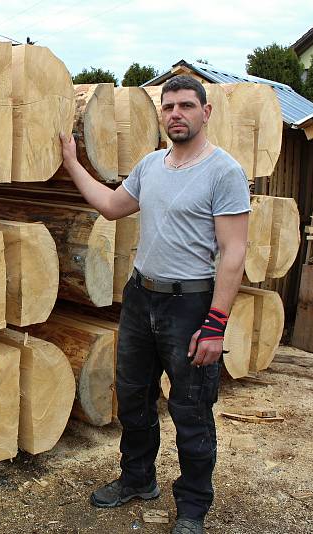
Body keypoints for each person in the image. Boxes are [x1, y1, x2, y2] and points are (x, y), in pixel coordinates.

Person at [59, 75, 250, 534]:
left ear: (206, 113)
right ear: (161, 114)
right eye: (168, 107)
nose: (176, 114)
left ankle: (192, 508)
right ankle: (137, 479)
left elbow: (235, 251)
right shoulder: (150, 165)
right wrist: (71, 162)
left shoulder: (224, 172)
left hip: (191, 304)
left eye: (186, 105)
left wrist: (216, 324)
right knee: (135, 398)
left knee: (190, 408)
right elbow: (109, 205)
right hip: (141, 296)